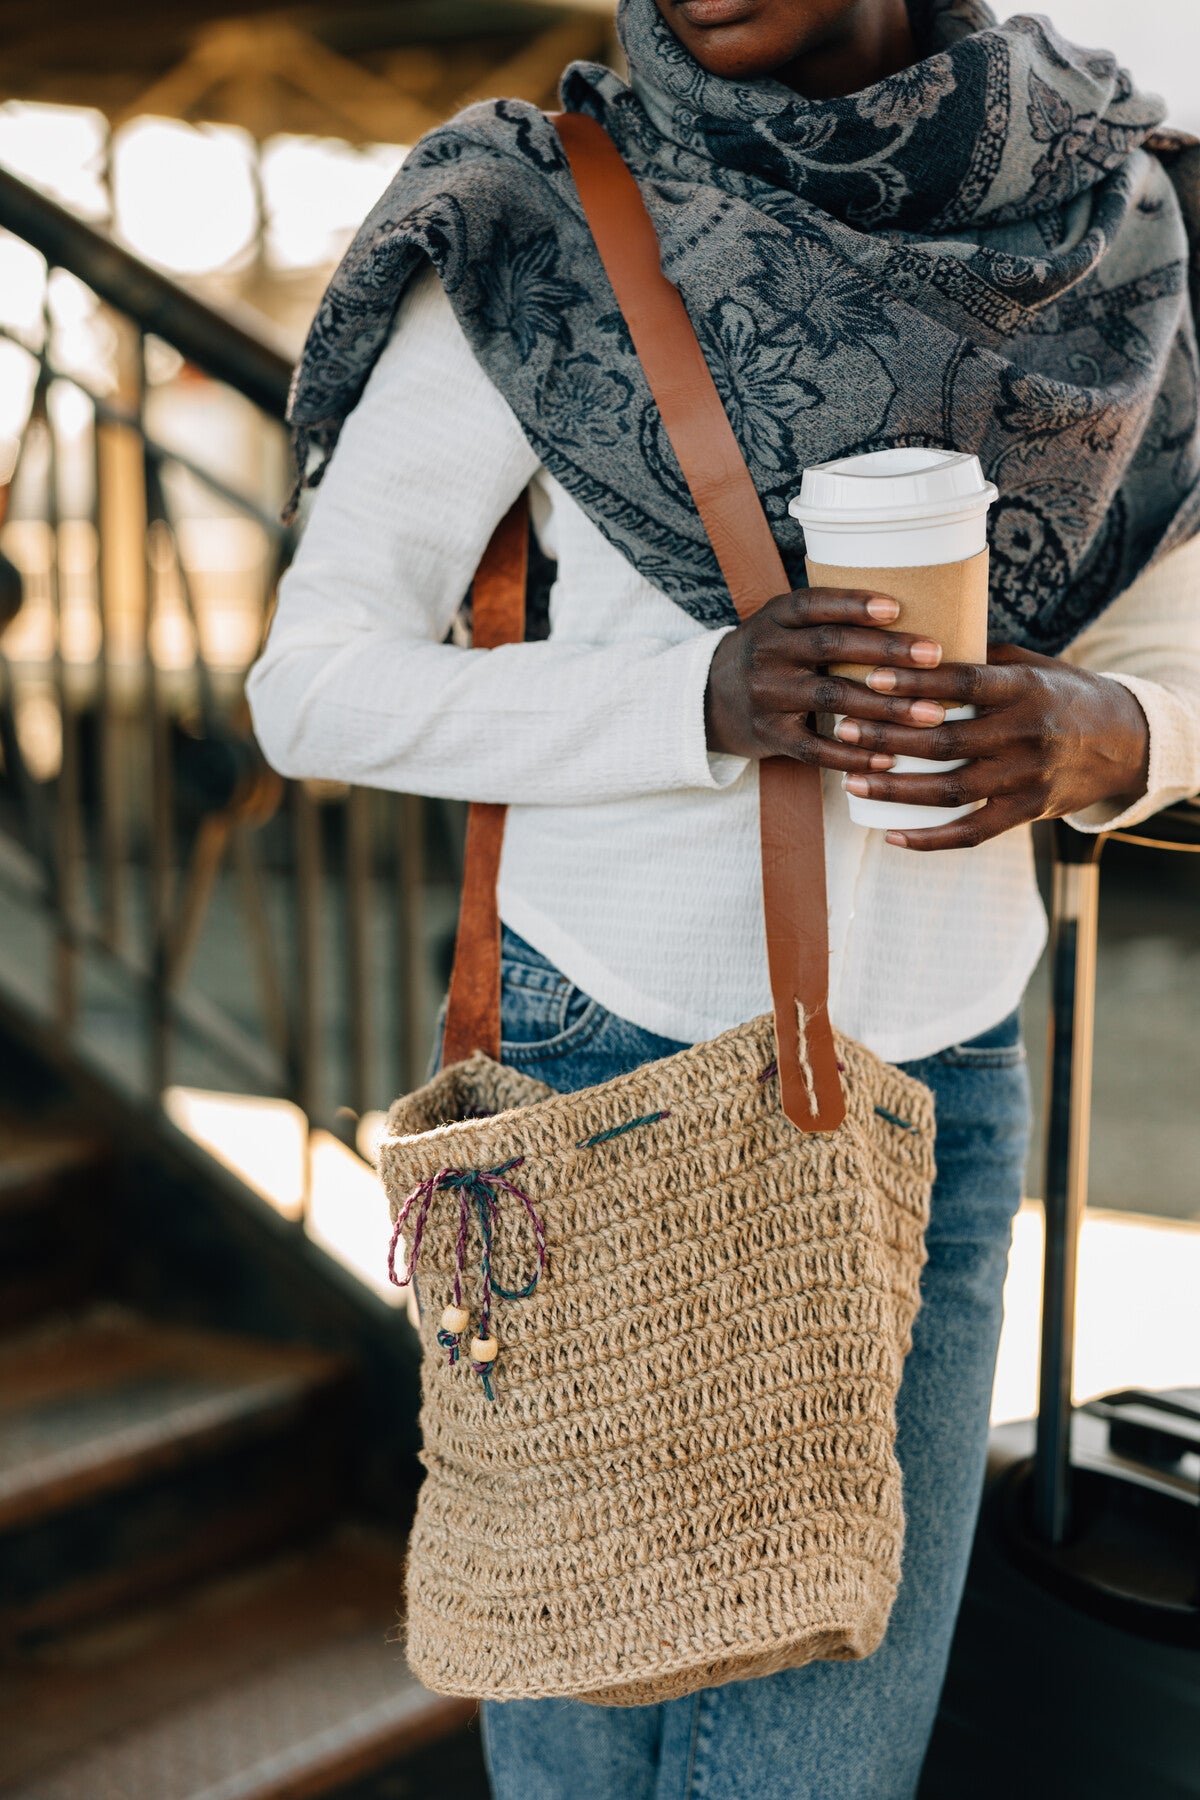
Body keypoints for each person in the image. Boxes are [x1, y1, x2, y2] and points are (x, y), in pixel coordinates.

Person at [248, 1, 1200, 1793]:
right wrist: (702, 695)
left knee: (824, 1763)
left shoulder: (1106, 224)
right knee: (590, 1743)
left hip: (950, 1074)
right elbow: (311, 684)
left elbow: (1178, 613)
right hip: (601, 1063)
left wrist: (1113, 726)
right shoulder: (542, 218)